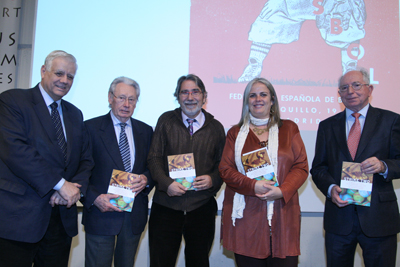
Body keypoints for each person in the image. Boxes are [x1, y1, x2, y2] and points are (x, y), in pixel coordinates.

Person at [0, 50, 94, 267]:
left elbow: (85, 159)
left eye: (70, 76)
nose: (65, 80)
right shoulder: (13, 101)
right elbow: (16, 152)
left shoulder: (75, 114)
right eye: (59, 73)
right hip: (19, 219)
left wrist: (74, 189)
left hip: (60, 220)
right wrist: (60, 184)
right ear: (43, 71)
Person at [311, 69, 400, 267]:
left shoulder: (391, 121)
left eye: (356, 85)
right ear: (339, 94)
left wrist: (384, 165)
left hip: (379, 219)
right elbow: (318, 168)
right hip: (339, 219)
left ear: (370, 89)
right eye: (344, 87)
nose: (350, 91)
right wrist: (330, 188)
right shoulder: (327, 126)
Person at [219, 77, 308, 267]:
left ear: (272, 100)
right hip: (246, 218)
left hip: (283, 214)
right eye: (252, 95)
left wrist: (282, 191)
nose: (257, 99)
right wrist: (253, 186)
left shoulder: (289, 128)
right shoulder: (235, 133)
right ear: (246, 101)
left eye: (263, 94)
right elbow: (225, 170)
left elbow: (301, 166)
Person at [147, 74, 226, 267]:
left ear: (204, 96)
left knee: (198, 263)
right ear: (178, 96)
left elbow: (223, 166)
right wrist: (167, 184)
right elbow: (154, 158)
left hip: (201, 207)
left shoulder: (216, 128)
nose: (190, 97)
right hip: (166, 206)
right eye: (184, 92)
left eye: (195, 91)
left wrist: (212, 179)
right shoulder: (165, 121)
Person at [82, 77, 153, 267]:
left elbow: (153, 167)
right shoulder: (90, 128)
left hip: (133, 217)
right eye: (121, 97)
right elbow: (79, 171)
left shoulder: (145, 131)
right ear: (110, 98)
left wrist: (147, 178)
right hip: (100, 213)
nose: (126, 104)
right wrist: (94, 198)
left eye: (132, 99)